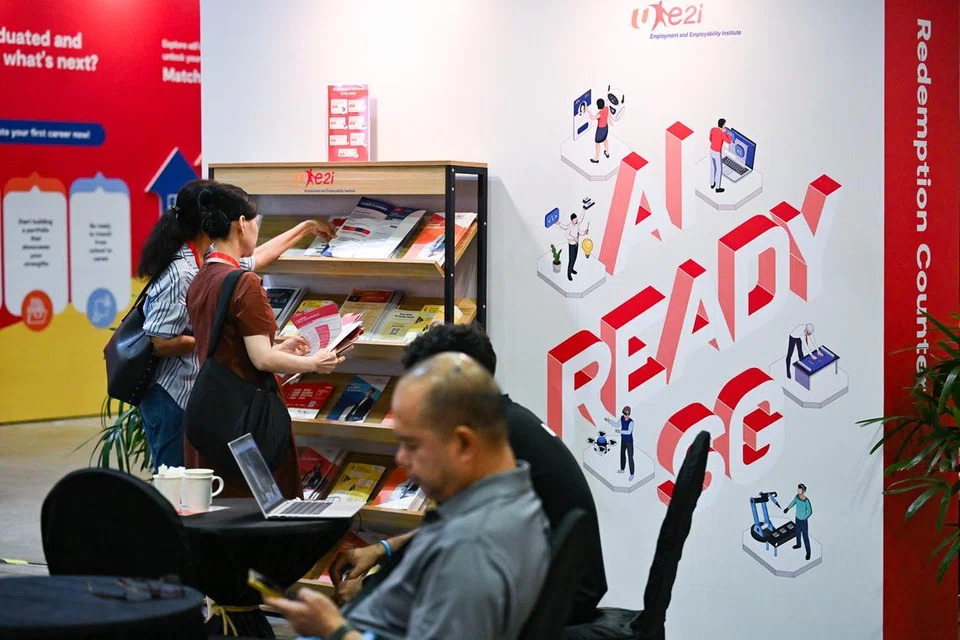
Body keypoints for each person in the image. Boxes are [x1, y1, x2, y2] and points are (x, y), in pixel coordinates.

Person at [331, 323, 607, 625]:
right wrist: (383, 549)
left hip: (554, 601)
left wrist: (366, 594)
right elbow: (454, 528)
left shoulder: (490, 442)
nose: (403, 458)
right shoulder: (506, 421)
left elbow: (461, 548)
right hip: (560, 587)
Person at [267, 352, 550, 640]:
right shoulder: (508, 497)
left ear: (463, 443)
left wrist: (334, 629)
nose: (400, 459)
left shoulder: (471, 548)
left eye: (412, 445)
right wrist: (385, 549)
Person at [136, 179, 336, 470]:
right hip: (174, 394)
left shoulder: (210, 263)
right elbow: (159, 341)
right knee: (175, 478)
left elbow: (257, 258)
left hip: (202, 392)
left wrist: (306, 227)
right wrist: (216, 341)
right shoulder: (184, 270)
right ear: (240, 223)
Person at [185, 182, 346, 498]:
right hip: (248, 422)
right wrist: (314, 363)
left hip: (214, 415)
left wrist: (279, 347)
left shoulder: (203, 276)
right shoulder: (244, 283)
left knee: (221, 510)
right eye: (255, 223)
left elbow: (231, 346)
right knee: (265, 508)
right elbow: (262, 359)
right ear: (242, 224)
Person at [784, 483, 813, 560]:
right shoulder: (797, 497)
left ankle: (808, 552)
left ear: (803, 491)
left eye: (800, 489)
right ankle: (798, 544)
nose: (798, 490)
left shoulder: (806, 500)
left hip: (803, 521)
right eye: (798, 489)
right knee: (797, 532)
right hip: (797, 518)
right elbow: (793, 502)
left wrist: (804, 517)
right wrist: (787, 508)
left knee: (805, 536)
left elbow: (810, 511)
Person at [605, 406, 635, 480]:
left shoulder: (631, 422)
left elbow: (629, 432)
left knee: (630, 457)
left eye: (627, 414)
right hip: (623, 440)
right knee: (622, 454)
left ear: (629, 414)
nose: (625, 415)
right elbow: (616, 425)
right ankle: (622, 469)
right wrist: (609, 421)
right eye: (624, 413)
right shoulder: (622, 418)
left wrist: (620, 431)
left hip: (629, 441)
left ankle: (632, 474)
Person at [557, 213, 589, 281]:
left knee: (574, 258)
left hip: (576, 244)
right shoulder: (569, 226)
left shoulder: (577, 225)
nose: (577, 221)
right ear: (572, 220)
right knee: (571, 260)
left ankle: (571, 269)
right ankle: (569, 274)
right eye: (575, 220)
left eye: (576, 219)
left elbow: (578, 232)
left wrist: (584, 233)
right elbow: (567, 235)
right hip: (571, 245)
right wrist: (574, 238)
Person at [709, 118, 733, 193]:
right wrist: (726, 133)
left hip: (711, 150)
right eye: (725, 124)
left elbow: (710, 139)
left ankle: (712, 184)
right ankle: (717, 188)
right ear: (723, 125)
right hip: (717, 152)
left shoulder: (713, 129)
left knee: (713, 168)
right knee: (719, 169)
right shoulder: (722, 134)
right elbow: (729, 141)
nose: (725, 126)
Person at [586, 98, 611, 163]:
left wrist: (588, 110)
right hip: (606, 127)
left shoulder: (600, 113)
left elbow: (592, 118)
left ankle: (597, 158)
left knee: (597, 143)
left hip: (600, 130)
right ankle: (607, 152)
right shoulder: (606, 108)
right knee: (605, 139)